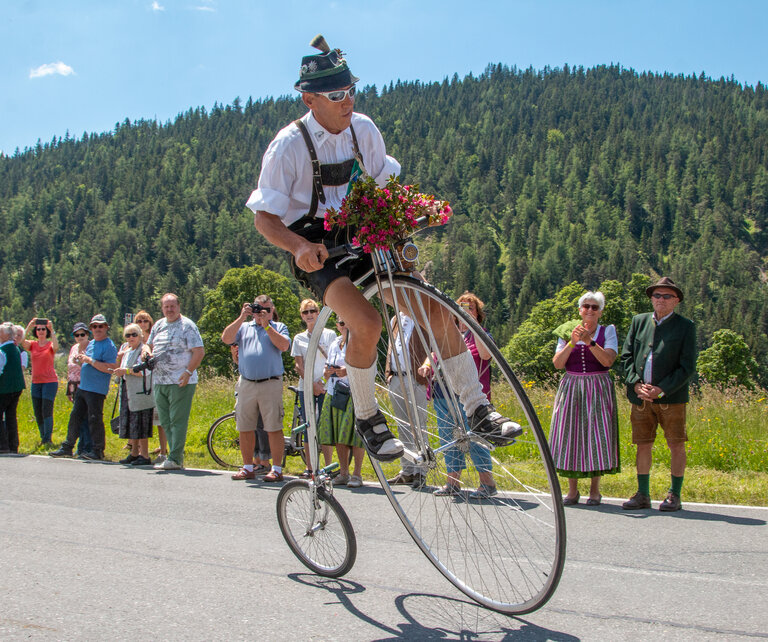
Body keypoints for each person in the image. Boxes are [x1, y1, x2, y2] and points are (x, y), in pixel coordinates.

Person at [246, 35, 520, 463]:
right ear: (310, 100)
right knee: (366, 321)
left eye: (351, 90)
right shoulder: (289, 145)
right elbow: (265, 217)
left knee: (435, 310)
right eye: (337, 94)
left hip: (365, 228)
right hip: (318, 244)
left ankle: (477, 407)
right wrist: (299, 246)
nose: (347, 100)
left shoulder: (364, 129)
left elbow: (384, 185)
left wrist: (409, 211)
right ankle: (369, 418)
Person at [621, 277, 697, 512]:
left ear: (676, 301)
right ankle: (643, 494)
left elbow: (687, 366)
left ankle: (675, 494)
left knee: (676, 444)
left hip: (671, 399)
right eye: (656, 295)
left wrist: (662, 389)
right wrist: (635, 384)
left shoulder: (686, 326)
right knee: (643, 444)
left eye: (666, 296)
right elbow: (626, 357)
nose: (660, 300)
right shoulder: (639, 321)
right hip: (641, 398)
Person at [419, 292, 500, 500]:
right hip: (442, 392)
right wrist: (427, 365)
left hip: (466, 395)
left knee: (475, 437)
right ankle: (452, 482)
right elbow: (435, 354)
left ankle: (487, 483)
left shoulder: (481, 335)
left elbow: (485, 355)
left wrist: (473, 325)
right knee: (448, 437)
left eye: (469, 308)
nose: (464, 312)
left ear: (477, 313)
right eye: (460, 308)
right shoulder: (449, 335)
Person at [550, 291, 620, 506]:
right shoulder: (567, 331)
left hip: (597, 386)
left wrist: (590, 342)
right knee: (570, 435)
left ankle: (595, 490)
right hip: (571, 386)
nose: (590, 310)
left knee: (596, 436)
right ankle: (572, 491)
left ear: (600, 311)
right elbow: (557, 364)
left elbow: (608, 361)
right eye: (586, 306)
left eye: (594, 307)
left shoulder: (607, 331)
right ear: (580, 310)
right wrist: (572, 343)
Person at [221, 295, 290, 481]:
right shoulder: (244, 328)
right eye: (259, 308)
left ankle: (276, 468)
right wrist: (242, 316)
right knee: (245, 426)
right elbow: (226, 338)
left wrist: (266, 324)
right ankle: (247, 466)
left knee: (273, 426)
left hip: (270, 382)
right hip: (247, 382)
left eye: (267, 309)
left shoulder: (278, 327)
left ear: (272, 310)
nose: (262, 312)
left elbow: (284, 345)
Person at [147, 293, 205, 471]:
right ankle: (173, 456)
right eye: (166, 307)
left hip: (181, 380)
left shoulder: (187, 326)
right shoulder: (158, 325)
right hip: (159, 380)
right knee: (165, 420)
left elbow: (199, 351)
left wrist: (188, 372)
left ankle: (175, 457)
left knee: (177, 420)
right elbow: (149, 345)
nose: (169, 310)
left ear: (179, 306)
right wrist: (147, 354)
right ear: (162, 308)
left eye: (172, 306)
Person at [50, 314, 118, 460]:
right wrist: (81, 361)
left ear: (106, 327)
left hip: (97, 389)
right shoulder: (92, 343)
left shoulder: (109, 345)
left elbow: (111, 368)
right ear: (91, 328)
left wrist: (90, 361)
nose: (97, 329)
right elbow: (88, 363)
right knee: (75, 417)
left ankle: (98, 450)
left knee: (94, 419)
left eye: (100, 326)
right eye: (94, 326)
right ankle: (68, 446)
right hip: (83, 386)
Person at [291, 298, 337, 476]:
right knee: (308, 425)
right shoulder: (299, 338)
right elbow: (298, 365)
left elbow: (333, 360)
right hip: (306, 388)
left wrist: (323, 384)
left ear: (319, 313)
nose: (309, 315)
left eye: (312, 311)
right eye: (305, 312)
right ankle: (310, 467)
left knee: (325, 425)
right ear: (302, 316)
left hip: (326, 386)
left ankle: (327, 466)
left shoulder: (330, 335)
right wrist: (312, 385)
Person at [317, 316, 364, 487]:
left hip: (354, 392)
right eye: (341, 323)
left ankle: (357, 474)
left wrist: (348, 371)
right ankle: (344, 473)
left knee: (356, 435)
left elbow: (366, 367)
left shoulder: (359, 342)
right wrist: (327, 372)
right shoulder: (335, 343)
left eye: (347, 323)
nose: (344, 327)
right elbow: (327, 367)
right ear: (337, 326)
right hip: (335, 392)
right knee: (338, 434)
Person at [385, 312, 429, 489]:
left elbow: (431, 346)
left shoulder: (422, 315)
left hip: (415, 378)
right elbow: (391, 346)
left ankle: (421, 471)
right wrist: (388, 373)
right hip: (396, 378)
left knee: (419, 426)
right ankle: (407, 470)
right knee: (402, 426)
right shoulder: (395, 318)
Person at [112, 323, 155, 466]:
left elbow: (145, 371)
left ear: (140, 336)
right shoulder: (127, 350)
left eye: (134, 335)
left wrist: (125, 371)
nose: (131, 338)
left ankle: (145, 454)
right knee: (132, 422)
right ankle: (134, 453)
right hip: (128, 389)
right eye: (128, 335)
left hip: (140, 391)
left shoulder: (143, 351)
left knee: (141, 422)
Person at [134, 310, 168, 465]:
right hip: (139, 382)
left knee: (159, 418)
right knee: (141, 417)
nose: (142, 324)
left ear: (150, 323)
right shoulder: (133, 338)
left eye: (145, 321)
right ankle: (140, 449)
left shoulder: (153, 339)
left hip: (154, 380)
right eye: (139, 321)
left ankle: (163, 449)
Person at [22, 317, 59, 446]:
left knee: (46, 409)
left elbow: (56, 347)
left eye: (43, 329)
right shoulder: (33, 345)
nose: (41, 331)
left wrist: (52, 330)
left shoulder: (49, 344)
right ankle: (43, 436)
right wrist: (30, 325)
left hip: (50, 381)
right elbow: (21, 341)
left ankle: (47, 438)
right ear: (36, 331)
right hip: (36, 382)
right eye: (39, 329)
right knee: (37, 410)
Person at [66, 322, 94, 457]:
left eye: (82, 334)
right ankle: (81, 446)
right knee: (78, 418)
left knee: (85, 418)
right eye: (77, 335)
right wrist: (68, 388)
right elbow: (70, 368)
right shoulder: (74, 348)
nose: (80, 337)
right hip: (74, 385)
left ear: (87, 334)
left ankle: (86, 446)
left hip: (86, 385)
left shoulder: (91, 347)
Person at [0, 322, 25, 454]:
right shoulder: (15, 348)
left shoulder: (3, 351)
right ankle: (12, 444)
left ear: (6, 335)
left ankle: (3, 445)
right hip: (16, 387)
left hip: (4, 388)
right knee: (11, 416)